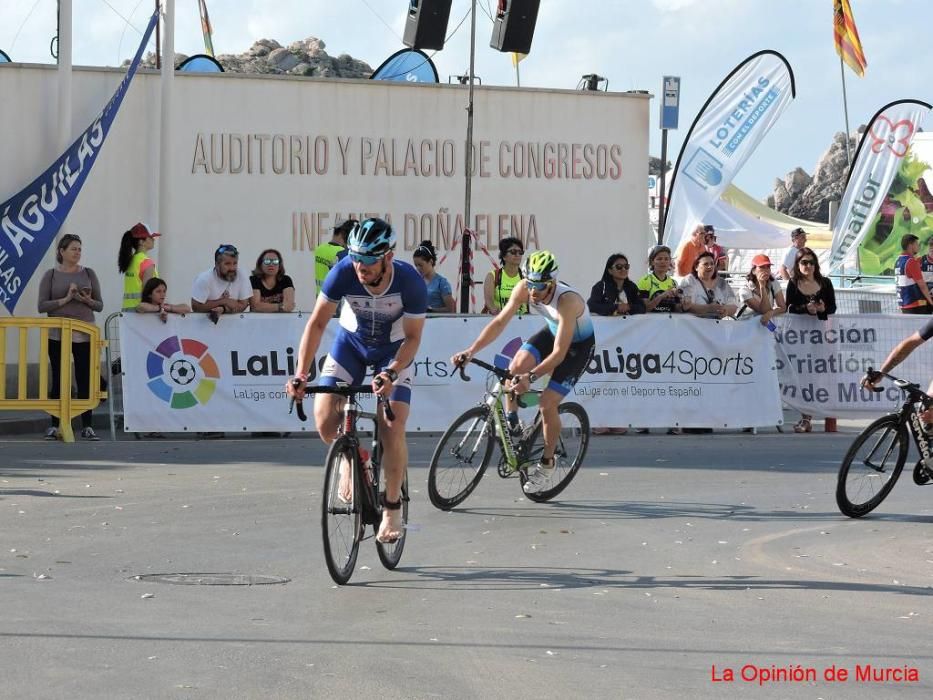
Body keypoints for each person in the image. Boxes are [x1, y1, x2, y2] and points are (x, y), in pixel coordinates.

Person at [288, 218, 427, 544]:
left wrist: (392, 372)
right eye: (354, 256)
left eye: (367, 259)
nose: (359, 266)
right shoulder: (343, 272)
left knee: (392, 425)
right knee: (323, 422)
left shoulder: (410, 281)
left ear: (388, 256)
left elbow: (413, 338)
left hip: (392, 353)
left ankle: (392, 505)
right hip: (351, 345)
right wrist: (300, 373)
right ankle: (354, 457)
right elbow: (318, 323)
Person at [452, 250, 596, 493]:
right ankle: (512, 420)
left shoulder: (567, 301)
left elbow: (560, 354)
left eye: (540, 286)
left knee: (547, 403)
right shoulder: (523, 288)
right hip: (553, 333)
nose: (533, 292)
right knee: (514, 368)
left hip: (577, 348)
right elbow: (499, 322)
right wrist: (471, 350)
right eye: (530, 284)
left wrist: (531, 378)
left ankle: (547, 463)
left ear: (552, 282)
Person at [36, 234, 104, 441]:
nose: (77, 252)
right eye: (73, 249)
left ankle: (87, 425)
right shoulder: (51, 275)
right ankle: (54, 425)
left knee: (84, 377)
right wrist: (65, 299)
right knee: (59, 376)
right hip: (57, 332)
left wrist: (86, 300)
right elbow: (41, 306)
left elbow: (100, 305)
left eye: (80, 249)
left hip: (85, 331)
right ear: (62, 252)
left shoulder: (89, 273)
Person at [587, 253, 643, 435]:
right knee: (601, 380)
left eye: (626, 266)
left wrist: (628, 309)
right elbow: (592, 306)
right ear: (610, 270)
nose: (623, 270)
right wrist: (614, 308)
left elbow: (641, 307)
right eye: (619, 267)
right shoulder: (601, 287)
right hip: (605, 340)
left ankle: (617, 420)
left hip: (626, 341)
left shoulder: (632, 288)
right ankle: (597, 420)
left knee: (620, 381)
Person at [786, 247, 837, 433]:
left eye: (811, 262)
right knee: (801, 376)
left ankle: (809, 416)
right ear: (798, 265)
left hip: (820, 334)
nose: (808, 266)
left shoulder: (826, 283)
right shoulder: (793, 283)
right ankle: (805, 417)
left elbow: (832, 307)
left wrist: (822, 309)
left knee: (816, 376)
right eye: (804, 262)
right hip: (798, 336)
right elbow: (789, 307)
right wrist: (805, 309)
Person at [190, 244, 253, 319]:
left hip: (234, 325)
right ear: (217, 264)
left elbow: (243, 305)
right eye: (227, 264)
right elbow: (196, 307)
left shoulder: (242, 275)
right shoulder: (204, 279)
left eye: (235, 263)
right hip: (205, 325)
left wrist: (223, 309)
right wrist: (224, 301)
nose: (232, 268)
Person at [678, 251, 738, 319]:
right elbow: (686, 307)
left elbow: (734, 306)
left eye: (712, 264)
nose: (710, 266)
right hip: (695, 326)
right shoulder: (689, 281)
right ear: (696, 267)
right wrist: (708, 308)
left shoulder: (722, 283)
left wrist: (726, 310)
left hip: (718, 325)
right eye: (705, 264)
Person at [117, 222, 160, 310]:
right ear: (141, 241)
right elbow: (147, 294)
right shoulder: (146, 262)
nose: (153, 239)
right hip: (142, 313)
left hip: (127, 311)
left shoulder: (130, 260)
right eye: (150, 237)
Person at [483, 236, 527, 315]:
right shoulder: (493, 276)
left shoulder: (526, 277)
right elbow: (489, 300)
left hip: (522, 322)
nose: (517, 255)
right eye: (513, 252)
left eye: (520, 252)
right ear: (504, 256)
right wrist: (497, 312)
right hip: (500, 320)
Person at [738, 254, 785, 327]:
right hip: (746, 326)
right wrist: (762, 286)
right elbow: (764, 311)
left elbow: (783, 307)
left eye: (768, 267)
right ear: (753, 271)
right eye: (762, 267)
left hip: (765, 325)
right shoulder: (744, 289)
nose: (766, 270)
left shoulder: (774, 283)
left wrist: (771, 313)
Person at [412, 240, 455, 313]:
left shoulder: (442, 283)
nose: (418, 268)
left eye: (421, 265)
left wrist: (431, 310)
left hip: (437, 322)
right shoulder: (417, 282)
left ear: (431, 262)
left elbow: (451, 310)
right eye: (416, 265)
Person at [895, 234, 933, 314]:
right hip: (914, 304)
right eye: (916, 244)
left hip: (904, 303)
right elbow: (922, 285)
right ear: (910, 245)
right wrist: (931, 302)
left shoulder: (898, 260)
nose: (918, 247)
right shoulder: (912, 262)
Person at [637, 245, 681, 314]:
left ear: (670, 262)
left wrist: (684, 305)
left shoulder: (673, 283)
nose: (663, 262)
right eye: (659, 259)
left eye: (666, 259)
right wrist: (662, 296)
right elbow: (645, 308)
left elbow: (677, 309)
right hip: (650, 323)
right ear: (652, 262)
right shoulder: (645, 281)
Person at [314, 218, 353, 293]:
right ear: (343, 233)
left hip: (320, 296)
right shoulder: (342, 253)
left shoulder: (319, 249)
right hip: (334, 299)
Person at [249, 248, 296, 313]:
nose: (271, 264)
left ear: (279, 265)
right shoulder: (254, 280)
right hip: (258, 320)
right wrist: (280, 306)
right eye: (267, 261)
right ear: (260, 264)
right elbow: (256, 307)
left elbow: (289, 306)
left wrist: (264, 307)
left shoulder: (286, 280)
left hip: (281, 320)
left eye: (275, 261)